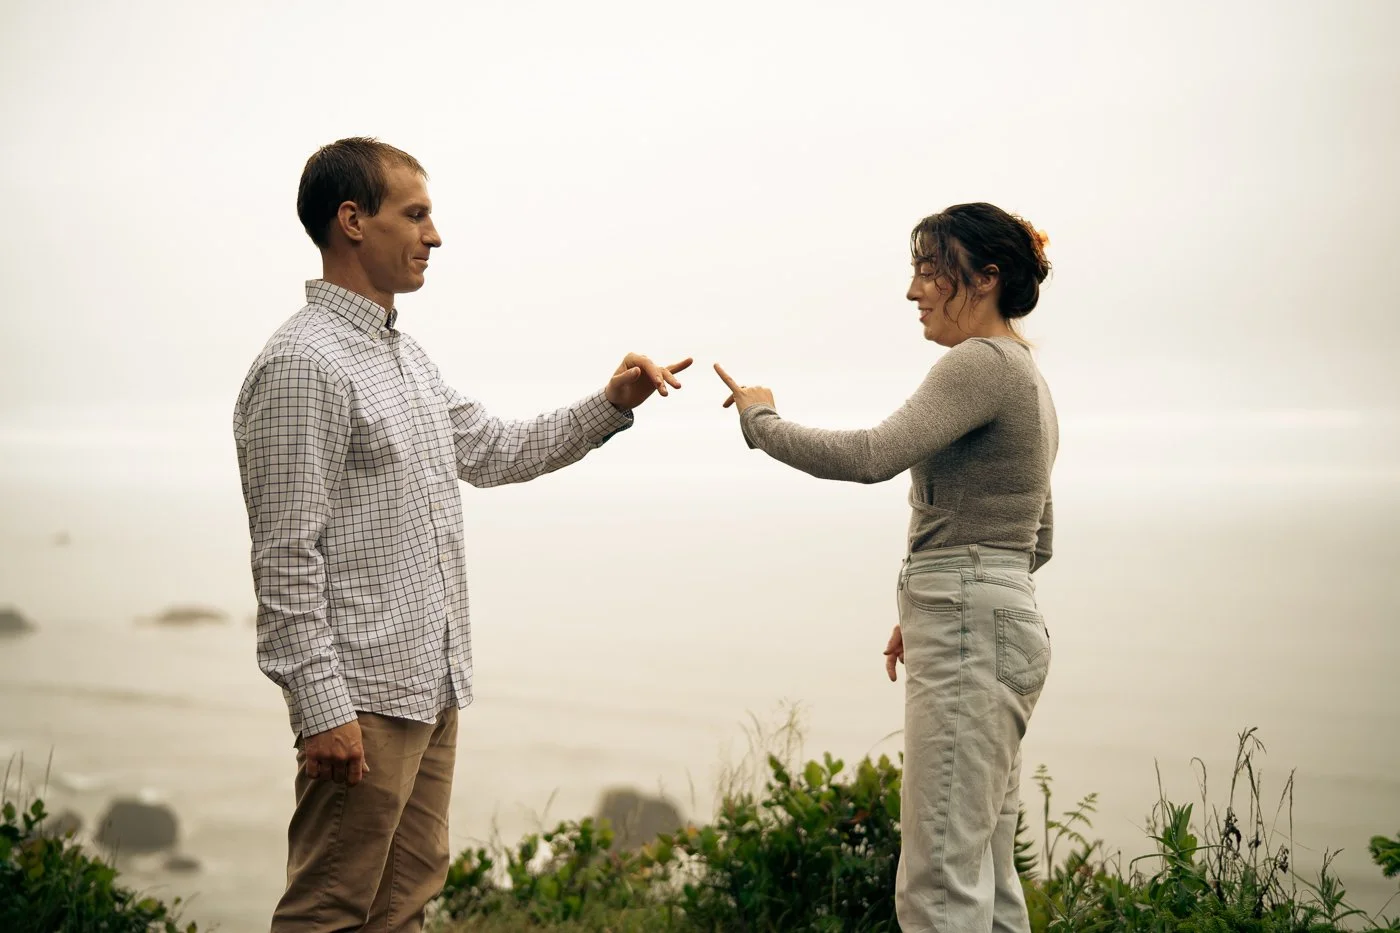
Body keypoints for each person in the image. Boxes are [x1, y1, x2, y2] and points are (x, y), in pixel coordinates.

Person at [233, 136, 691, 932]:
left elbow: (494, 448)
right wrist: (320, 707)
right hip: (363, 703)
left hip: (430, 685)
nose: (434, 236)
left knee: (403, 906)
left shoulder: (403, 357)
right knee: (329, 911)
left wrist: (610, 404)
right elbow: (284, 556)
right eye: (415, 215)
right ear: (351, 221)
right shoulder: (303, 362)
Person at [714, 202, 1057, 933]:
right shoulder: (1027, 376)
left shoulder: (979, 365)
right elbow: (1038, 538)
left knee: (937, 887)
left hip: (972, 627)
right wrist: (938, 605)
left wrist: (760, 420)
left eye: (930, 271)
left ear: (987, 278)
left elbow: (872, 455)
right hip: (1001, 623)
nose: (914, 291)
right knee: (989, 884)